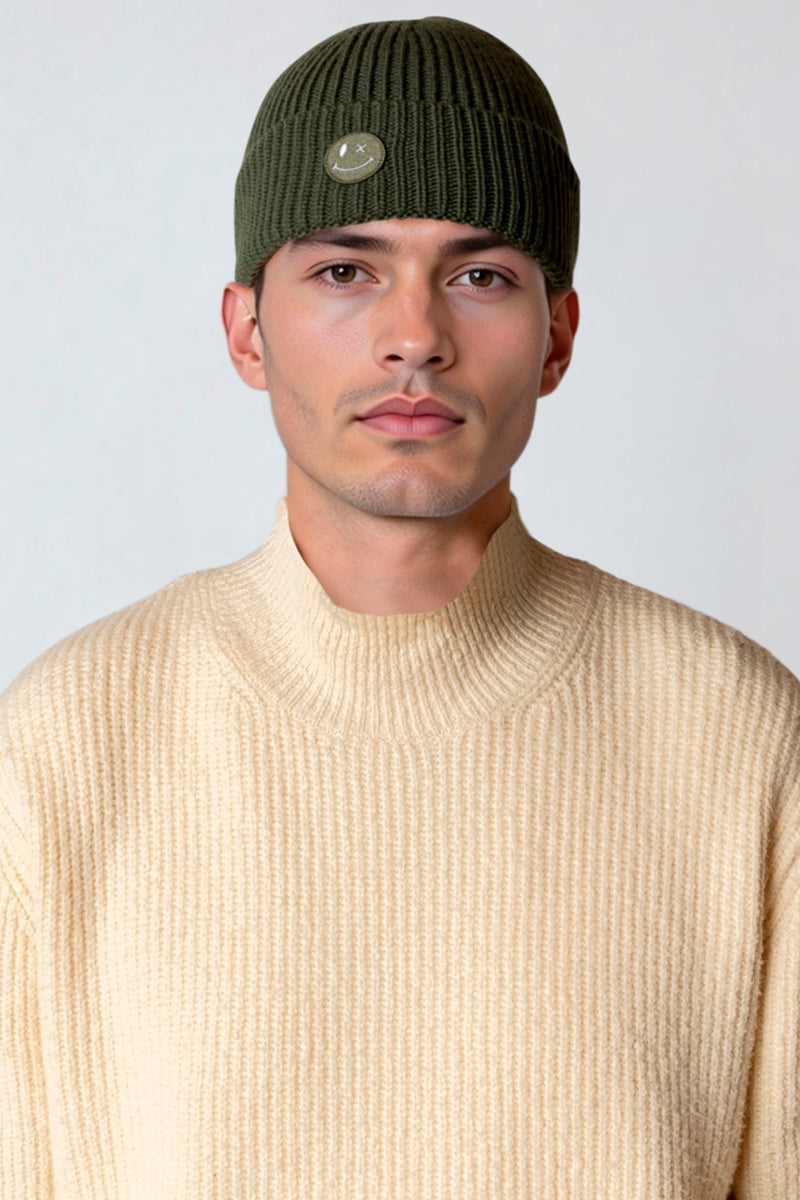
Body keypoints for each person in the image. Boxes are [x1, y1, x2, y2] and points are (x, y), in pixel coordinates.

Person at [1, 16, 797, 1198]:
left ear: (556, 338)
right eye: (344, 271)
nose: (414, 336)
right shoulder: (66, 743)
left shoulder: (737, 736)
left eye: (480, 276)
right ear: (246, 331)